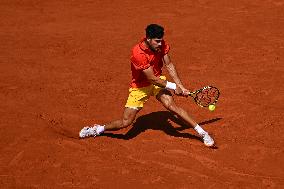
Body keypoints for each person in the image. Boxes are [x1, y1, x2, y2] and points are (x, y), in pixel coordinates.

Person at [79, 24, 215, 147]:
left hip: (158, 82)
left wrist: (181, 86)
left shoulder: (160, 44)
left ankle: (202, 133)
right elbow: (152, 79)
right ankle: (97, 129)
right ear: (148, 39)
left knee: (172, 107)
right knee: (125, 123)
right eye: (157, 41)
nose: (160, 43)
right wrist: (174, 87)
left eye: (161, 40)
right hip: (140, 87)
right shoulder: (138, 53)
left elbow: (169, 65)